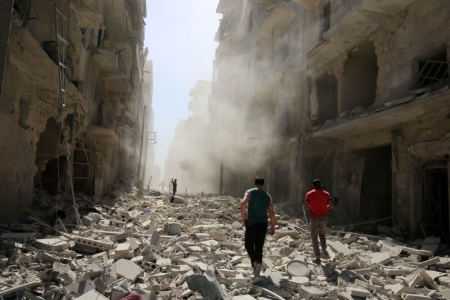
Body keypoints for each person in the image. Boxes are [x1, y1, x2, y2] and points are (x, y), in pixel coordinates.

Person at [241, 177, 276, 277]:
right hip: (263, 224)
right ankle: (257, 267)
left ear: (254, 183)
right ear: (263, 184)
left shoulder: (249, 192)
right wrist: (273, 227)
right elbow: (272, 213)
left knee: (248, 245)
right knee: (259, 247)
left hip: (252, 223)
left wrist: (243, 217)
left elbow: (243, 203)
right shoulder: (268, 196)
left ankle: (255, 263)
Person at [304, 179, 333, 264]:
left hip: (314, 217)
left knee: (314, 237)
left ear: (313, 186)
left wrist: (312, 208)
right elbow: (331, 205)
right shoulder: (326, 194)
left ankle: (317, 257)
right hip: (324, 217)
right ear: (320, 185)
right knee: (322, 234)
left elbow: (306, 206)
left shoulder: (309, 194)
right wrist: (325, 208)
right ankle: (324, 251)